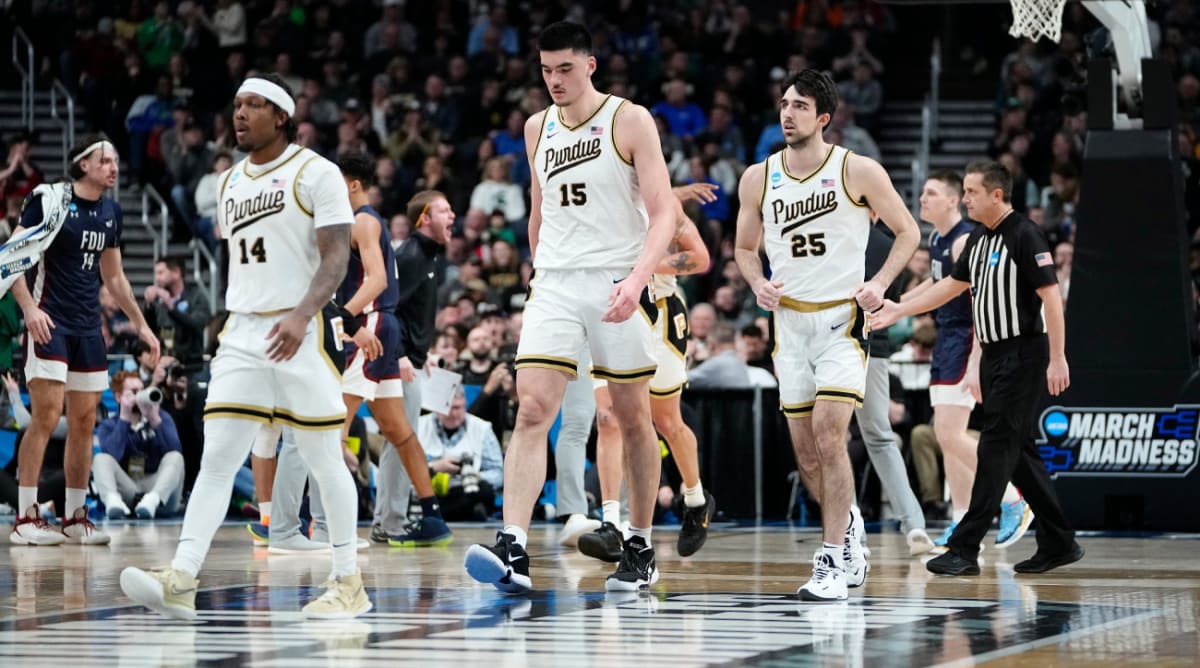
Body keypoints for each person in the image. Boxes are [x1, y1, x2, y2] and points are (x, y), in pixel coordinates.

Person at [120, 73, 371, 619]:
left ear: (282, 115)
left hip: (302, 328)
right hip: (242, 332)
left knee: (324, 457)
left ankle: (348, 581)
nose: (240, 113)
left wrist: (301, 315)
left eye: (254, 104)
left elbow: (336, 257)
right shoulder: (229, 180)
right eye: (236, 104)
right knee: (216, 458)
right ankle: (182, 576)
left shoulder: (315, 171)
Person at [463, 21, 676, 593]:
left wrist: (638, 279)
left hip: (616, 278)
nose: (554, 80)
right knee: (532, 409)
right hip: (556, 282)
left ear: (590, 65)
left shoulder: (629, 119)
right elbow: (539, 211)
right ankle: (513, 545)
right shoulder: (537, 127)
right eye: (546, 70)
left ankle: (639, 544)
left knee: (630, 418)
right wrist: (540, 275)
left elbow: (664, 213)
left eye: (565, 68)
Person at [733, 69, 920, 601]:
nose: (787, 114)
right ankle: (850, 522)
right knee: (808, 456)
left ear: (823, 118)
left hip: (842, 320)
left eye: (799, 106)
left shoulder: (856, 170)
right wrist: (757, 283)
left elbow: (908, 232)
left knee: (830, 434)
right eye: (783, 104)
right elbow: (745, 248)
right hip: (789, 325)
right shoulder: (758, 177)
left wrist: (879, 283)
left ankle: (832, 561)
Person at [871, 160, 1084, 576]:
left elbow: (1051, 298)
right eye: (965, 191)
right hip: (993, 354)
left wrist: (1058, 357)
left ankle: (965, 547)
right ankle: (1059, 541)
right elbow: (948, 287)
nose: (965, 199)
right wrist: (900, 310)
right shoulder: (979, 241)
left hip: (1024, 352)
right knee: (1020, 454)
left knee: (994, 447)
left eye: (971, 192)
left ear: (996, 195)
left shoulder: (1024, 234)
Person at [9, 133, 160, 546]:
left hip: (89, 328)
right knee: (45, 416)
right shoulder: (49, 201)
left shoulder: (111, 211)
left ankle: (75, 518)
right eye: (105, 160)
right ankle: (26, 517)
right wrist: (29, 309)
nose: (114, 167)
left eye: (115, 160)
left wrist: (140, 324)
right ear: (83, 165)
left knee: (84, 421)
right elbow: (11, 257)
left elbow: (114, 276)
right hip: (49, 322)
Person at [576, 189, 716, 562]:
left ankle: (696, 499)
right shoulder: (596, 196)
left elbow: (701, 258)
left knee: (666, 420)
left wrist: (647, 265)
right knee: (608, 417)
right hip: (611, 307)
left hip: (660, 310)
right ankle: (611, 522)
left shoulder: (664, 203)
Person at [904, 171, 1032, 549]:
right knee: (947, 440)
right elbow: (937, 283)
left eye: (931, 193)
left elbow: (981, 304)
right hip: (946, 338)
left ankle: (1013, 498)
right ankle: (961, 522)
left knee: (948, 434)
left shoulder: (964, 241)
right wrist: (896, 305)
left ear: (951, 201)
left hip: (965, 339)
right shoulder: (936, 239)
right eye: (923, 193)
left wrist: (977, 359)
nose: (922, 199)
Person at [371, 188, 457, 546]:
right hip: (395, 362)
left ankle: (387, 519)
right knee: (401, 440)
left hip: (411, 360)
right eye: (444, 210)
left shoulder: (429, 256)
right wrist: (402, 354)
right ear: (424, 218)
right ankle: (391, 521)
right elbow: (385, 308)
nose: (452, 216)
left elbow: (411, 313)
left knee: (401, 440)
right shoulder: (409, 257)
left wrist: (424, 352)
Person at [855, 218, 934, 556]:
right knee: (880, 437)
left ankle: (849, 532)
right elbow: (896, 299)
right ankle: (914, 524)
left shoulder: (835, 230)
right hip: (876, 343)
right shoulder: (893, 243)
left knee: (828, 442)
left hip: (835, 342)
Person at [94, 371, 185, 519]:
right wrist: (124, 419)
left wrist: (154, 419)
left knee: (175, 457)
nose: (140, 396)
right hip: (128, 489)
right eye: (134, 392)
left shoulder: (161, 417)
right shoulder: (109, 425)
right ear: (118, 397)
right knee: (101, 459)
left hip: (159, 492)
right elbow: (113, 454)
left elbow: (174, 450)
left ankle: (152, 500)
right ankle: (113, 502)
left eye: (142, 390)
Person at [417, 388, 504, 521]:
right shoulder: (419, 426)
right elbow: (404, 471)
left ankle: (439, 513)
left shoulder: (482, 428)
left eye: (457, 408)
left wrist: (474, 475)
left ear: (465, 405)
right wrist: (434, 467)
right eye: (448, 408)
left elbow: (499, 473)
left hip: (467, 488)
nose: (453, 414)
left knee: (484, 490)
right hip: (429, 490)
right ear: (437, 408)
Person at [142, 256, 212, 369]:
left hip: (192, 366)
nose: (157, 278)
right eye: (156, 273)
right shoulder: (159, 302)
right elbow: (150, 329)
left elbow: (196, 324)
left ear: (176, 273)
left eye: (161, 273)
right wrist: (149, 305)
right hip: (164, 364)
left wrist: (171, 307)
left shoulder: (196, 297)